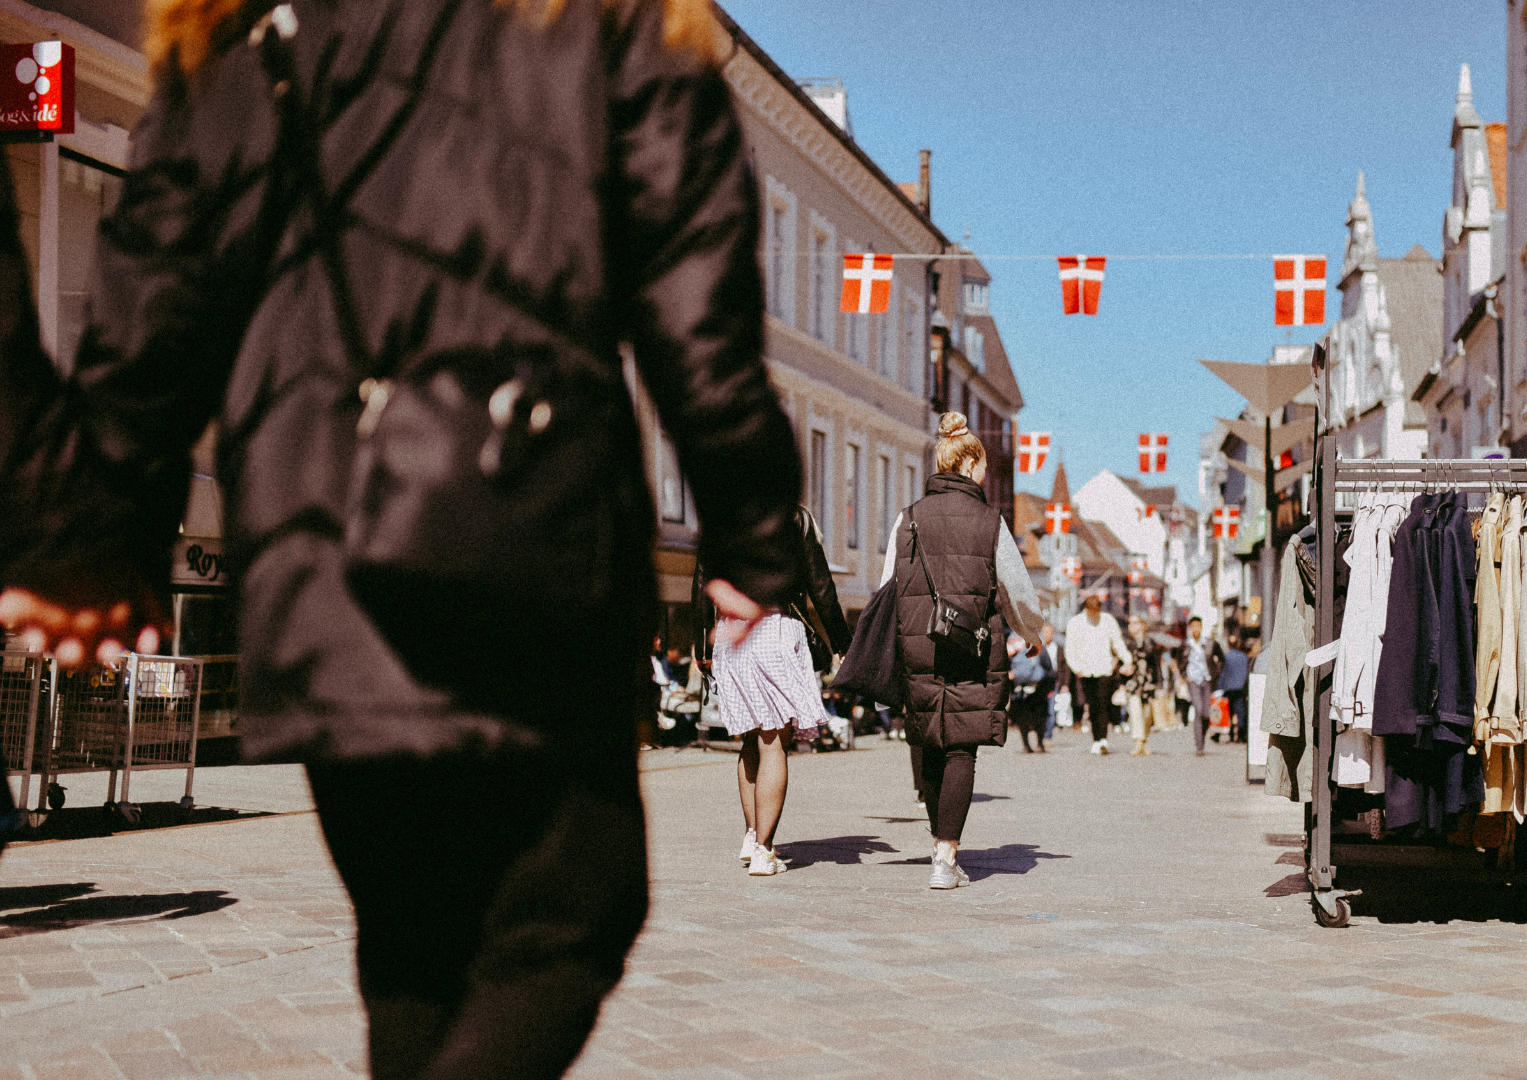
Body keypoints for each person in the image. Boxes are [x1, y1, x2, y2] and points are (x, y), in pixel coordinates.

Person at [0, 3, 805, 1077]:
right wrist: (752, 534)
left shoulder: (242, 35)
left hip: (313, 551)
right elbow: (697, 316)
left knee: (416, 950)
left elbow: (155, 305)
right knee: (573, 908)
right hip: (532, 536)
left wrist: (91, 532)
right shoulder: (613, 22)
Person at [879, 413, 1045, 889]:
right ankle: (945, 857)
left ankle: (939, 848)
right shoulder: (990, 521)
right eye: (983, 467)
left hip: (919, 647)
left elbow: (888, 586)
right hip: (971, 647)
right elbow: (1015, 590)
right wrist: (1030, 632)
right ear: (970, 464)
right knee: (961, 751)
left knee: (930, 744)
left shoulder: (907, 518)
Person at [702, 506, 849, 875]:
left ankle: (752, 837)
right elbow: (820, 584)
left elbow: (702, 580)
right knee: (773, 742)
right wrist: (843, 643)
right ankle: (765, 851)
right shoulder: (794, 518)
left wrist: (701, 643)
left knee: (750, 739)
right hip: (775, 628)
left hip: (730, 633)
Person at [1064, 595, 1132, 754]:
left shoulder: (1108, 621)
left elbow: (1118, 642)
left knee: (1103, 704)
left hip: (1104, 669)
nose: (1095, 615)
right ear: (1086, 610)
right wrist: (1076, 667)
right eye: (1092, 612)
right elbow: (1070, 649)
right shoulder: (1075, 623)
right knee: (1092, 705)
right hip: (1086, 671)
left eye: (1097, 612)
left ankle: (1103, 739)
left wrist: (1127, 659)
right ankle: (1096, 738)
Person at [1178, 617, 1225, 755]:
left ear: (1201, 627)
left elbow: (1221, 658)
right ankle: (1199, 746)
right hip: (1194, 681)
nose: (1195, 629)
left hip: (1207, 679)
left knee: (1205, 713)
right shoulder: (1186, 644)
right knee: (1198, 710)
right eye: (1193, 626)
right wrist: (1185, 676)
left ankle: (1202, 737)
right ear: (1190, 628)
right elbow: (1179, 661)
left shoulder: (1210, 643)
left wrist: (1216, 674)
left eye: (1198, 626)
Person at [1008, 632, 1054, 752]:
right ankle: (1040, 743)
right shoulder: (1038, 645)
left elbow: (1006, 664)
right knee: (1040, 718)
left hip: (1019, 689)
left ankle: (1026, 745)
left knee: (1022, 719)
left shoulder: (1013, 644)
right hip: (1038, 688)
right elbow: (1048, 667)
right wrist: (1050, 686)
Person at [1123, 615, 1160, 755]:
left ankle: (1144, 742)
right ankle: (1138, 743)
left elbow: (1156, 665)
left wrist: (1160, 685)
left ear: (1143, 625)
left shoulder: (1150, 642)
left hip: (1148, 683)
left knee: (1147, 714)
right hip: (1133, 683)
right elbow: (1121, 662)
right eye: (1130, 623)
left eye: (1135, 623)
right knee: (1135, 712)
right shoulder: (1127, 642)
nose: (1131, 626)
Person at [1220, 629, 1253, 744]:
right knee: (1241, 712)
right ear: (1238, 644)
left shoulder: (1227, 657)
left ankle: (1231, 734)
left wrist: (1220, 687)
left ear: (1229, 645)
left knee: (1230, 712)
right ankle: (1240, 735)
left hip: (1229, 688)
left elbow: (1223, 673)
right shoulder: (1244, 657)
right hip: (1241, 688)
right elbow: (1248, 673)